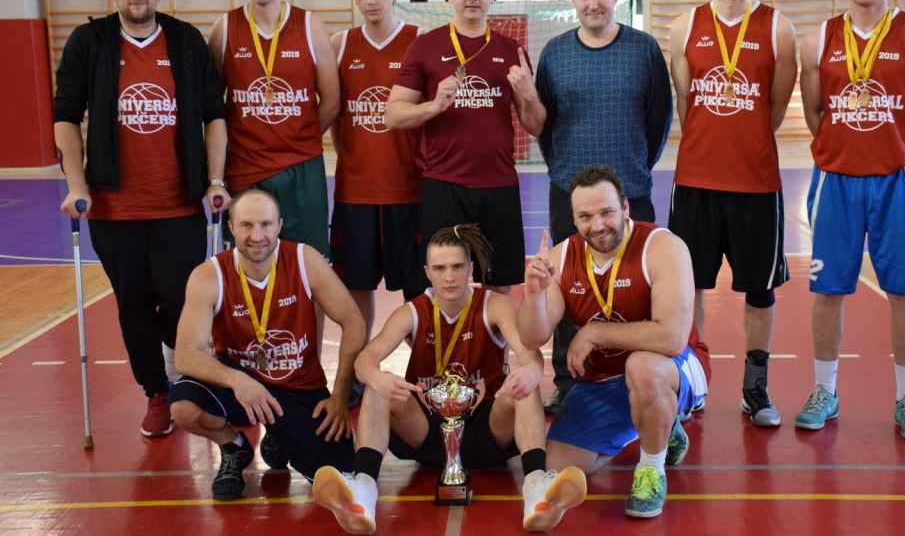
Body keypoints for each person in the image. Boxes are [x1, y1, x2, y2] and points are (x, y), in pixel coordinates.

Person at [53, 0, 228, 438]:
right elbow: (65, 116)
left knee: (178, 299)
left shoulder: (186, 40)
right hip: (115, 207)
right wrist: (76, 185)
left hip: (178, 202)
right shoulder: (90, 42)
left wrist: (215, 181)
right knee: (132, 305)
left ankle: (184, 373)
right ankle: (156, 391)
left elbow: (214, 115)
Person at [312, 224, 587, 534]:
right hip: (426, 431)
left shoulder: (494, 305)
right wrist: (376, 376)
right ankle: (363, 490)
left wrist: (531, 371)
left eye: (457, 266)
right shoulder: (413, 312)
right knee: (377, 388)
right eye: (440, 268)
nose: (450, 276)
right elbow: (365, 358)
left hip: (486, 429)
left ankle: (537, 487)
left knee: (525, 385)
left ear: (470, 268)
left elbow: (529, 354)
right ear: (427, 272)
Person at [796, 0, 905, 441]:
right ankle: (824, 390)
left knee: (904, 292)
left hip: (895, 182)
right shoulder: (819, 38)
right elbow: (814, 111)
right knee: (828, 291)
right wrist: (842, 149)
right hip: (835, 181)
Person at [518, 166, 710, 520]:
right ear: (574, 218)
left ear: (625, 207)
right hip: (604, 379)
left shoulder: (662, 246)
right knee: (557, 466)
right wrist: (533, 294)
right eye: (585, 217)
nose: (598, 225)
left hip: (675, 365)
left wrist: (595, 331)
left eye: (606, 212)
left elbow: (671, 338)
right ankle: (655, 424)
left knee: (643, 366)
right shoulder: (561, 258)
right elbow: (532, 337)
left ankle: (651, 468)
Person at [666, 0, 797, 427]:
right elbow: (686, 102)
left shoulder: (778, 27)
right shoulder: (684, 26)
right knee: (690, 286)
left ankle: (754, 388)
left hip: (756, 182)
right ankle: (693, 381)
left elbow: (775, 106)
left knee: (760, 290)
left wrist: (746, 137)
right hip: (696, 179)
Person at [533, 0, 673, 414]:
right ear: (573, 1)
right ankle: (568, 382)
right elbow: (545, 124)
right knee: (565, 287)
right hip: (569, 194)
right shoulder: (555, 53)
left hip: (630, 191)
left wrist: (634, 169)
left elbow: (659, 118)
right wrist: (565, 172)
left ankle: (644, 379)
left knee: (642, 288)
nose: (592, 3)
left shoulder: (644, 49)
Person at [169, 189, 366, 500]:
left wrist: (340, 396)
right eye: (246, 225)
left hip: (298, 384)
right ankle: (233, 446)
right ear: (231, 228)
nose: (257, 236)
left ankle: (278, 433)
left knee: (342, 475)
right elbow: (185, 355)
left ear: (280, 225)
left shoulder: (305, 260)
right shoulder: (209, 275)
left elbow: (354, 322)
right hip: (240, 384)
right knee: (185, 408)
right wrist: (237, 380)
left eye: (265, 224)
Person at [385, 0, 546, 295]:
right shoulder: (425, 46)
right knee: (443, 285)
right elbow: (393, 115)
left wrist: (529, 94)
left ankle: (493, 335)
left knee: (500, 286)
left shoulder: (511, 50)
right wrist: (434, 106)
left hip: (499, 184)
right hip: (445, 185)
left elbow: (536, 126)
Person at [208, 0, 339, 257]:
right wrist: (216, 176)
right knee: (249, 262)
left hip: (302, 168)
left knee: (308, 262)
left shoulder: (309, 26)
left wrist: (300, 137)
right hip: (245, 168)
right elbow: (212, 107)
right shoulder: (224, 29)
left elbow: (332, 100)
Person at [329, 0, 422, 346]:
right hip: (356, 192)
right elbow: (335, 115)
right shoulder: (340, 44)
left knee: (419, 291)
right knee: (356, 289)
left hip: (410, 190)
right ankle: (353, 369)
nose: (370, 0)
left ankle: (426, 369)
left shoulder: (420, 41)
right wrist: (353, 159)